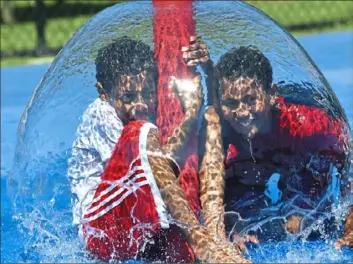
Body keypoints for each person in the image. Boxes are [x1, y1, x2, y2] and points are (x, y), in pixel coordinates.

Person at [67, 36, 247, 263]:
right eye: (129, 97)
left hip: (143, 220)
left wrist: (207, 70)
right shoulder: (101, 116)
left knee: (210, 119)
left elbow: (215, 117)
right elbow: (155, 164)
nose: (141, 104)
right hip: (102, 232)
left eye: (147, 93)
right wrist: (190, 115)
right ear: (103, 92)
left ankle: (216, 231)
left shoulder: (143, 104)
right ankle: (201, 239)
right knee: (140, 130)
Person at [182, 39, 352, 248]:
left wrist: (351, 222)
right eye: (231, 103)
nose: (242, 112)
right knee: (241, 200)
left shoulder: (307, 124)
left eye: (251, 99)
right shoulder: (224, 128)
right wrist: (229, 228)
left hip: (301, 162)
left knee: (298, 222)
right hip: (258, 163)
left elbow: (349, 162)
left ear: (271, 94)